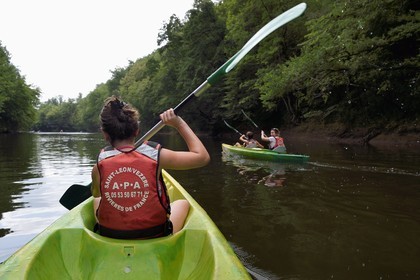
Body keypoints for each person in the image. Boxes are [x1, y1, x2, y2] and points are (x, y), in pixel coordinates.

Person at [91, 96, 210, 239]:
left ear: (104, 133)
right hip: (155, 234)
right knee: (183, 203)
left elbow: (97, 194)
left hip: (111, 234)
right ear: (137, 131)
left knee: (96, 199)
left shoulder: (99, 164)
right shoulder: (156, 155)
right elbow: (202, 157)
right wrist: (178, 123)